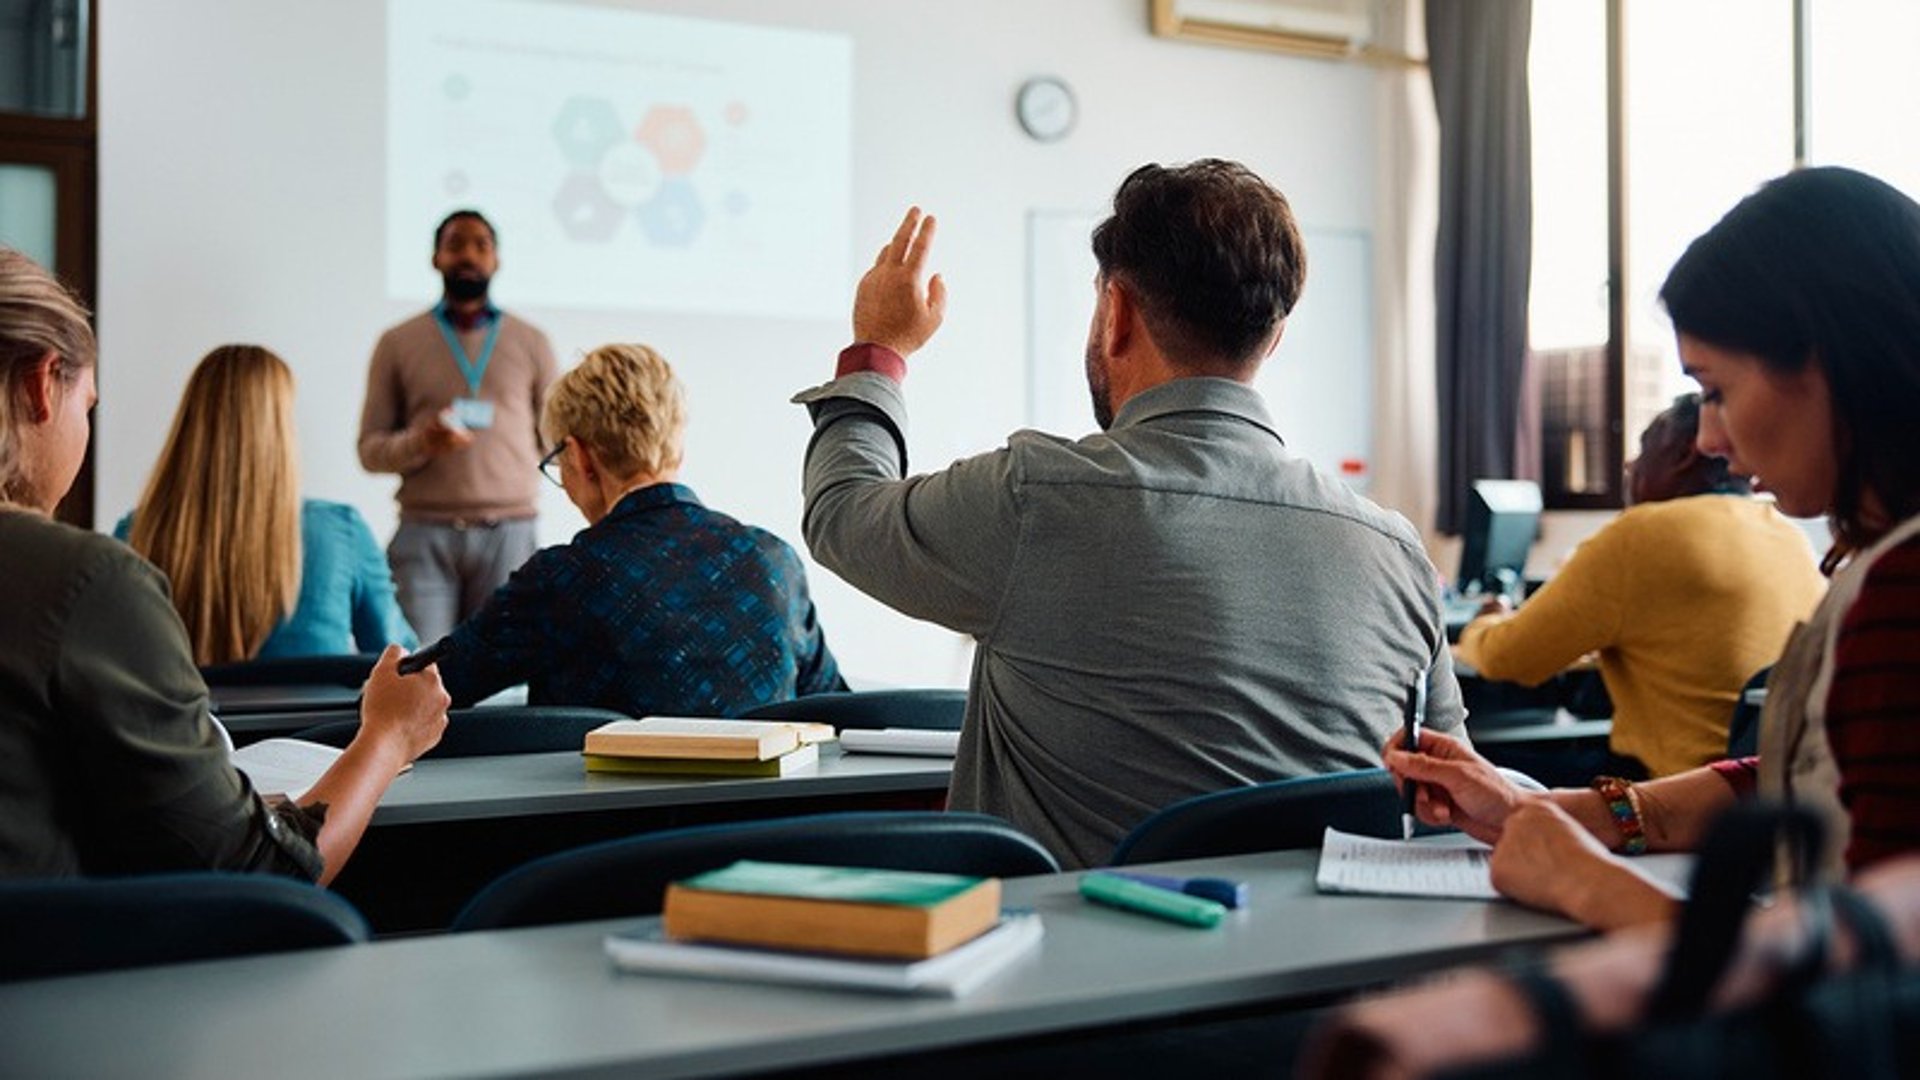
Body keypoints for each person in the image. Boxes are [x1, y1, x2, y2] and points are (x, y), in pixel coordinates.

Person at [792, 160, 1466, 868]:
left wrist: (880, 350)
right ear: (1273, 337)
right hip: (1321, 971)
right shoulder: (1396, 553)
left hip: (1070, 973)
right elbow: (1453, 794)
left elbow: (842, 511)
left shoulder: (1039, 500)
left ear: (1117, 312)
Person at [1384, 166, 1920, 930]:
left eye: (1716, 390)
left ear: (1826, 360)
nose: (1709, 439)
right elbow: (1804, 781)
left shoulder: (1904, 587)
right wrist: (1545, 810)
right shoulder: (1861, 556)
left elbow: (1872, 978)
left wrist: (1585, 883)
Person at [0, 247, 448, 883]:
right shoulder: (86, 582)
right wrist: (389, 737)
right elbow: (257, 868)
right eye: (89, 404)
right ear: (43, 385)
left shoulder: (135, 533)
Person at [431, 343, 845, 715]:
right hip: (766, 804)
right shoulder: (773, 563)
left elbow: (427, 689)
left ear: (578, 456)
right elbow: (836, 708)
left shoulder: (561, 579)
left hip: (604, 803)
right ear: (677, 444)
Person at [1456, 393, 1826, 779]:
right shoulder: (1788, 534)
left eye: (1644, 447)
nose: (1631, 463)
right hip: (1765, 783)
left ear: (1685, 453)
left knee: (1475, 758)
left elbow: (1508, 659)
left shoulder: (1644, 533)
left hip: (1672, 789)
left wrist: (1482, 623)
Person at [117, 344, 417, 666]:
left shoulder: (135, 535)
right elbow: (402, 661)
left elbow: (112, 661)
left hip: (186, 719)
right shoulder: (341, 532)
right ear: (280, 429)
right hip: (313, 719)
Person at [358, 209, 560, 643]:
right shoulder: (397, 342)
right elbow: (369, 450)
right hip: (424, 535)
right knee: (420, 673)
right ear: (436, 258)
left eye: (480, 245)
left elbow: (558, 441)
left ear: (497, 260)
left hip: (510, 533)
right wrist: (422, 442)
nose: (467, 254)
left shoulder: (532, 341)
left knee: (505, 683)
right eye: (454, 245)